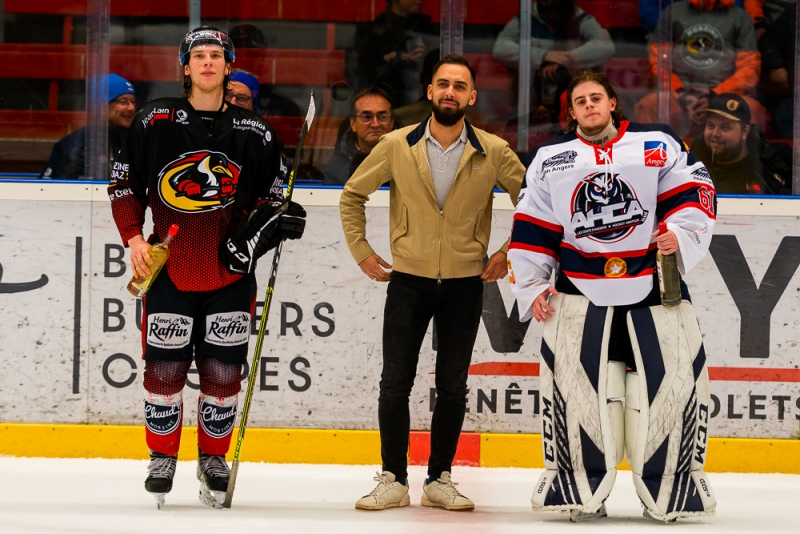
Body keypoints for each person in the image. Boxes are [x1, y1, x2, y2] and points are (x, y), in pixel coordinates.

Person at [107, 26, 307, 509]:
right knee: (164, 370)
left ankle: (213, 458)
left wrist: (276, 218)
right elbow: (124, 185)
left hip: (231, 275)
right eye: (199, 55)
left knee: (223, 373)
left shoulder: (255, 132)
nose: (208, 62)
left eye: (217, 55)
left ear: (229, 64)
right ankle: (162, 456)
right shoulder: (155, 119)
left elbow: (272, 197)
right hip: (171, 269)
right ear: (185, 66)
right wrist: (133, 236)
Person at [509, 70, 717, 522]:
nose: (588, 105)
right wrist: (532, 284)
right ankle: (577, 487)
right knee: (576, 393)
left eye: (596, 97)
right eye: (580, 100)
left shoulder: (656, 142)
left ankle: (673, 490)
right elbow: (532, 222)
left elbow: (694, 190)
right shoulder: (551, 157)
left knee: (672, 388)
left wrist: (679, 232)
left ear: (612, 102)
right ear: (571, 111)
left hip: (652, 289)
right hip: (578, 291)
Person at [340, 55, 525, 512]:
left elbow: (536, 206)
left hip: (465, 283)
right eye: (443, 84)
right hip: (408, 281)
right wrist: (362, 251)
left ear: (471, 97)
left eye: (459, 86)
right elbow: (352, 196)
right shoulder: (396, 144)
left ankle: (440, 477)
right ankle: (393, 478)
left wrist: (507, 252)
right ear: (429, 91)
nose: (450, 92)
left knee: (454, 384)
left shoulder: (494, 150)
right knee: (394, 382)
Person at [634, 0, 769, 137]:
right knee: (647, 106)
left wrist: (715, 96)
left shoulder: (741, 17)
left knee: (751, 109)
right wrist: (682, 95)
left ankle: (744, 158)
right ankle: (652, 157)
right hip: (679, 96)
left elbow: (749, 68)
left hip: (725, 96)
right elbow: (658, 64)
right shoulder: (671, 13)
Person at [492, 0, 614, 128]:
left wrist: (567, 59)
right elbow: (500, 49)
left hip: (575, 109)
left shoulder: (580, 18)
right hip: (529, 108)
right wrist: (544, 56)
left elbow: (606, 47)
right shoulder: (526, 17)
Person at [41, 73, 136, 179]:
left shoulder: (138, 142)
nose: (131, 108)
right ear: (101, 105)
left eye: (133, 102)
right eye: (123, 102)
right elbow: (46, 190)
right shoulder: (72, 146)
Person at [692, 93, 790, 194]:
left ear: (745, 131)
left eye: (725, 127)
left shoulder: (770, 162)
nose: (715, 133)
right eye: (710, 125)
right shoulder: (692, 161)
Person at [346, 0, 433, 108]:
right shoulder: (373, 31)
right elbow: (359, 74)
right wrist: (388, 60)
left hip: (422, 102)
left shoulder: (428, 29)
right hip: (383, 104)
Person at [323, 87, 396, 185]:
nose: (375, 124)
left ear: (392, 122)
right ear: (353, 124)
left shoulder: (408, 163)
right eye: (366, 117)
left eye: (382, 117)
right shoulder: (336, 168)